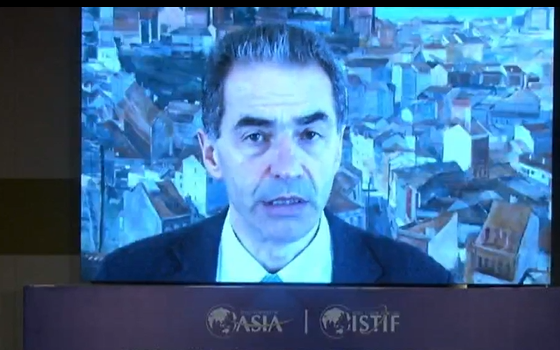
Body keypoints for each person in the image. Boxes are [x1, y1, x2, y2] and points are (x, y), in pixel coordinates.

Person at [95, 23, 453, 285]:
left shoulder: (425, 287)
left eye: (310, 134)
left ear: (338, 148)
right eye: (255, 137)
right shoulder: (125, 280)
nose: (287, 168)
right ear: (211, 155)